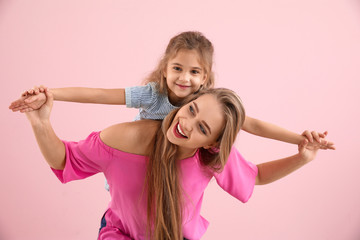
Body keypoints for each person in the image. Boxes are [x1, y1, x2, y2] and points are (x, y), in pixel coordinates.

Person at [23, 87, 331, 240]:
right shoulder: (125, 139)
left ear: (211, 143)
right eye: (192, 110)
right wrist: (40, 121)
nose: (187, 123)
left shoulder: (210, 159)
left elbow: (257, 175)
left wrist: (302, 156)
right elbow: (65, 160)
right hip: (120, 234)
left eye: (203, 128)